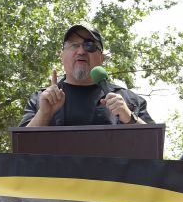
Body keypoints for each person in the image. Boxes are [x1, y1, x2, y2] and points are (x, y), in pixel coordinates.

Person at [19, 23, 153, 127]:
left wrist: (129, 117)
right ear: (61, 55)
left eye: (89, 45)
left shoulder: (128, 101)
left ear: (101, 58)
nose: (81, 51)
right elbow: (21, 148)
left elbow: (152, 145)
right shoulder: (41, 100)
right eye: (73, 45)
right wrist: (44, 113)